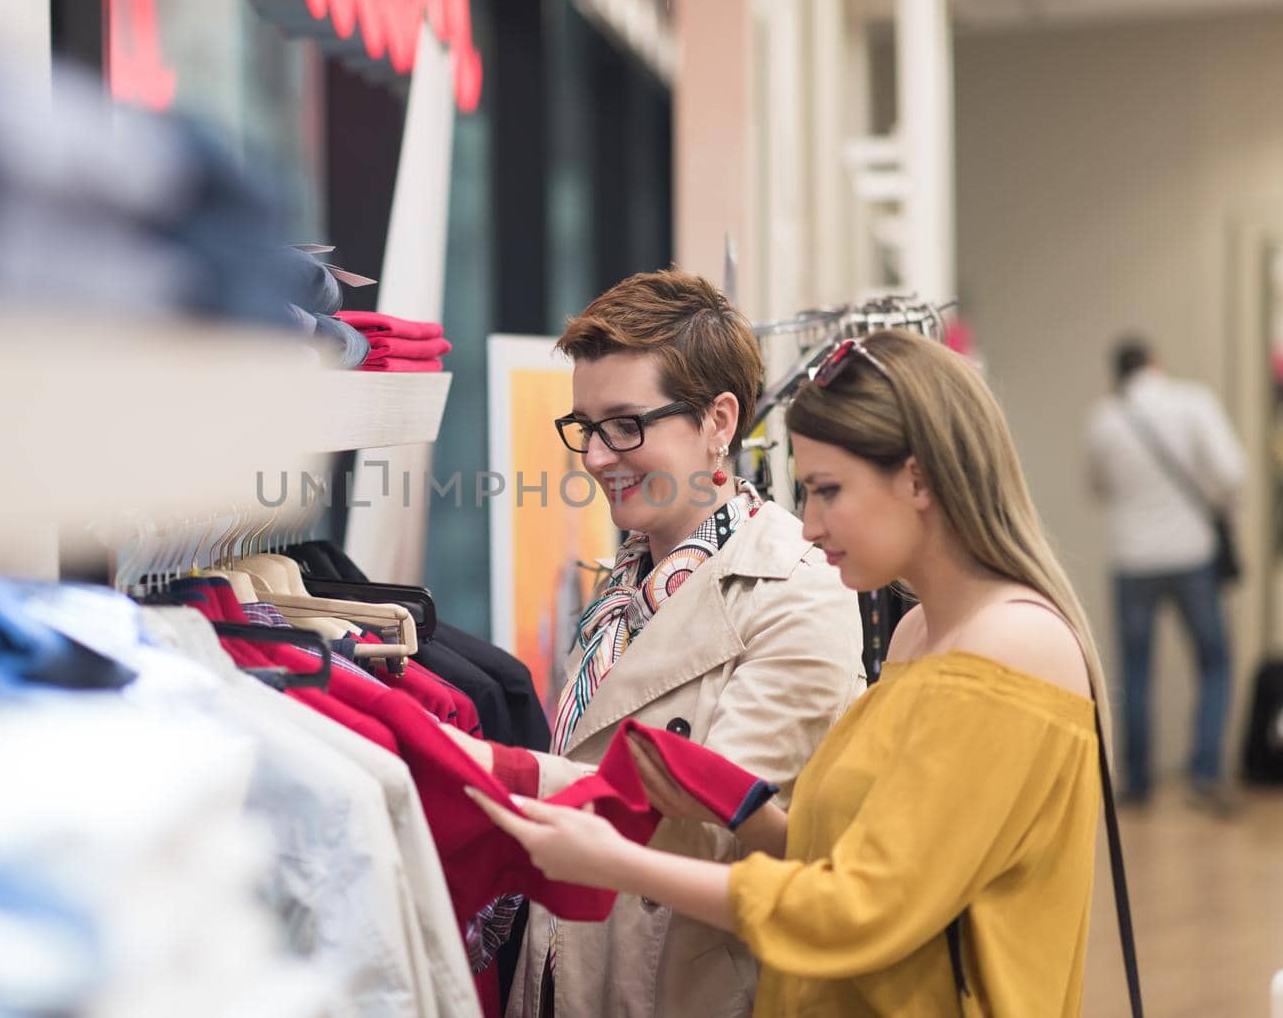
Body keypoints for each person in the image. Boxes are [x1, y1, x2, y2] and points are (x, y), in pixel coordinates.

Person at [469, 330, 1113, 1017]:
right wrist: (739, 804)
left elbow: (860, 909)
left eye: (828, 491)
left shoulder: (1012, 643)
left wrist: (615, 864)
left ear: (918, 478)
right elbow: (844, 852)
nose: (807, 525)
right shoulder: (917, 630)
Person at [445, 269, 864, 1017]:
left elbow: (709, 829)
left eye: (626, 425)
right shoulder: (628, 576)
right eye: (585, 427)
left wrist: (478, 763)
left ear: (719, 420)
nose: (598, 457)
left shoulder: (797, 591)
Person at [1086, 336, 1244, 812]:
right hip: (1192, 554)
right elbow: (1234, 473)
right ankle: (1205, 771)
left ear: (1118, 374)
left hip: (1133, 560)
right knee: (1214, 661)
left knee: (1135, 670)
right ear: (1157, 362)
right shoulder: (1193, 403)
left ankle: (1138, 781)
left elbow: (1097, 486)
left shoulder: (1105, 419)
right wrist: (1219, 510)